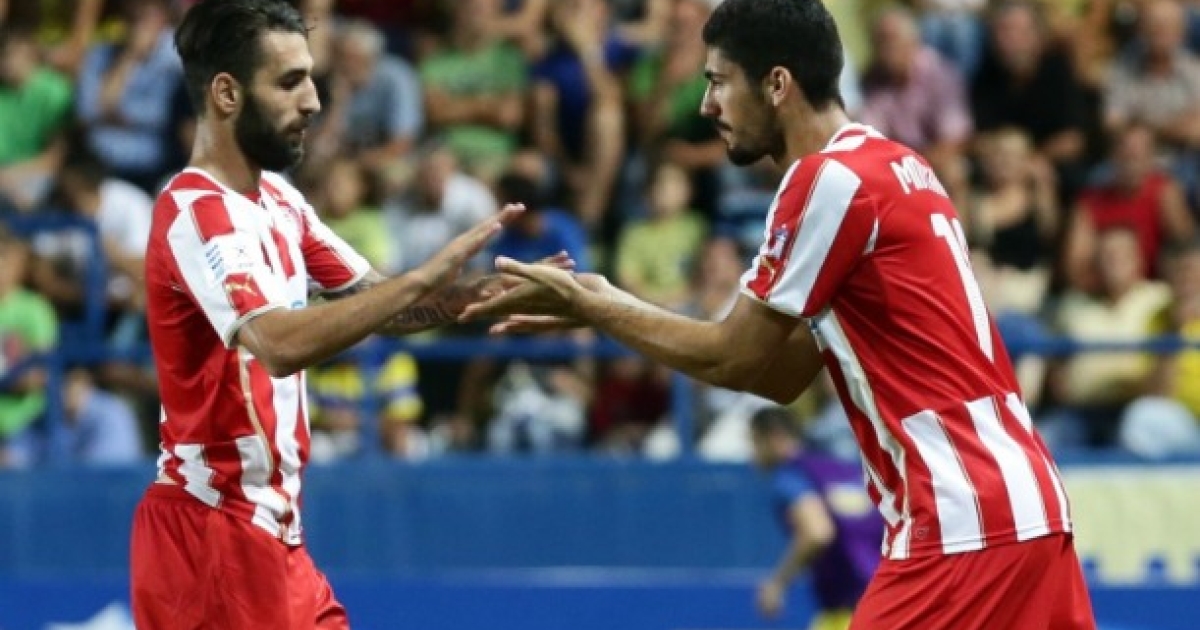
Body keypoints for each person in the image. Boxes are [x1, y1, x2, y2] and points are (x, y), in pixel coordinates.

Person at [463, 0, 1096, 628]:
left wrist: (595, 306)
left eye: (719, 82)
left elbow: (732, 357)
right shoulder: (898, 165)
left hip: (960, 517)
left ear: (776, 84)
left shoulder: (825, 181)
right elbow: (780, 375)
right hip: (1029, 503)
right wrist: (606, 301)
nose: (707, 105)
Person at [129, 1, 534, 628]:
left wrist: (483, 295)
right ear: (227, 93)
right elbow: (276, 343)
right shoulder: (193, 211)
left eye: (311, 79)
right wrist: (421, 278)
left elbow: (377, 302)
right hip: (212, 537)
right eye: (290, 81)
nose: (314, 101)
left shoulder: (280, 201)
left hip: (275, 536)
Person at [750, 406, 882, 630]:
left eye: (754, 442)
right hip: (885, 601)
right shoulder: (844, 468)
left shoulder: (791, 476)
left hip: (847, 608)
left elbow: (818, 532)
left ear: (773, 437)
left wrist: (777, 584)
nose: (752, 454)